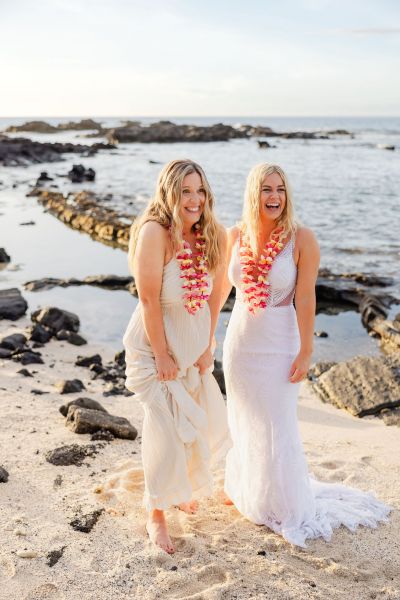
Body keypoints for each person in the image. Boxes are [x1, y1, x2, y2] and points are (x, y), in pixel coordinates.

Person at [220, 162, 391, 547]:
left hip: (281, 341)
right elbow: (220, 292)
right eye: (266, 189)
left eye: (280, 189)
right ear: (253, 193)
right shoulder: (234, 235)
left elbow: (305, 296)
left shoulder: (302, 239)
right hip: (240, 343)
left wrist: (307, 349)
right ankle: (251, 491)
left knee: (279, 423)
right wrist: (204, 339)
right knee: (244, 417)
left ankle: (284, 503)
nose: (275, 197)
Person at [123, 159, 230, 554]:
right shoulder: (155, 233)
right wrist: (163, 355)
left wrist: (207, 345)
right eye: (186, 191)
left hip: (191, 348)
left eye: (200, 190)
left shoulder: (211, 235)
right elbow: (149, 300)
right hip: (154, 349)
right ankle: (156, 514)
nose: (195, 199)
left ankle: (178, 489)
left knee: (189, 429)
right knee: (164, 434)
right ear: (169, 192)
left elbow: (214, 300)